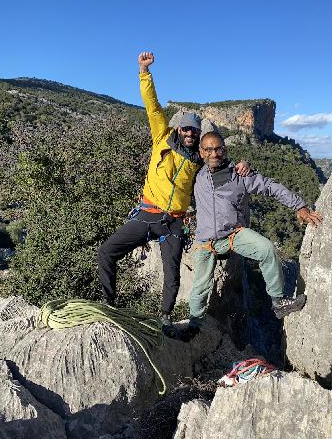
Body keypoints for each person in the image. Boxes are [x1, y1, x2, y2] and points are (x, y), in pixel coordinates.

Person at [98, 52, 249, 330]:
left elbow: (219, 162)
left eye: (194, 131)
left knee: (172, 273)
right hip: (147, 214)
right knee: (106, 252)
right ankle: (109, 305)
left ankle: (165, 318)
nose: (190, 134)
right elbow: (153, 107)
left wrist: (241, 166)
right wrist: (144, 72)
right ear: (179, 129)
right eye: (187, 129)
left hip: (174, 222)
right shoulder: (162, 138)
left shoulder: (199, 157)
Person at [179, 130, 322, 342]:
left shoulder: (240, 175)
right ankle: (194, 325)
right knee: (200, 286)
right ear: (201, 153)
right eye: (209, 149)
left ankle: (278, 302)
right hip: (206, 241)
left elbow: (271, 187)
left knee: (266, 249)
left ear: (225, 150)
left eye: (218, 148)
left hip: (233, 234)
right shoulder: (196, 175)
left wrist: (299, 205)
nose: (214, 153)